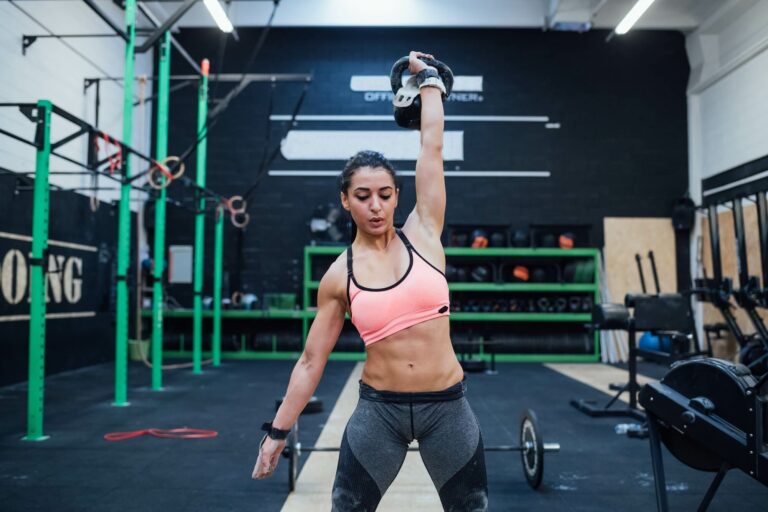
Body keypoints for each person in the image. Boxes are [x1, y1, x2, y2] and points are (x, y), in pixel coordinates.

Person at [253, 50, 489, 511]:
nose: (376, 206)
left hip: (449, 409)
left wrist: (429, 82)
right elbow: (309, 362)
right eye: (363, 196)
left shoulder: (424, 232)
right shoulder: (339, 275)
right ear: (346, 200)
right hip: (380, 411)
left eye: (385, 194)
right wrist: (277, 432)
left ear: (398, 195)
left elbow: (432, 145)